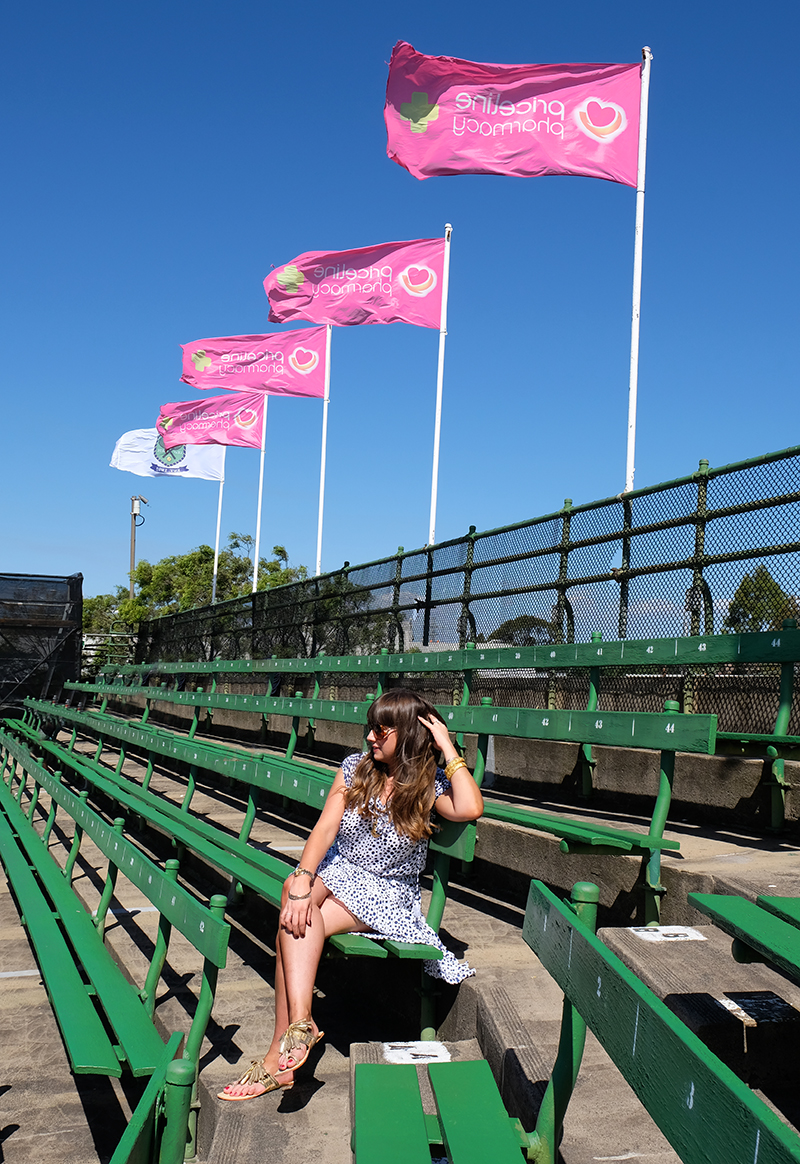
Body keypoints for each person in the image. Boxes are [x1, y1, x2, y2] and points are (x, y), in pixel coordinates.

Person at [218, 688, 484, 1100]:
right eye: (370, 727)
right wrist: (305, 876)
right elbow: (326, 828)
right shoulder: (356, 768)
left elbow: (470, 808)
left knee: (297, 920)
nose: (371, 737)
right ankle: (301, 1026)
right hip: (339, 870)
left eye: (382, 729)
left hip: (385, 891)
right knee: (295, 895)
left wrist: (446, 746)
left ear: (410, 734)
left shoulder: (428, 785)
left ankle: (281, 1052)